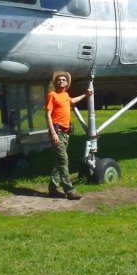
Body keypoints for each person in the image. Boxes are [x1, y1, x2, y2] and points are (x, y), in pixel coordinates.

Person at [45, 71, 92, 200]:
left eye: (63, 80)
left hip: (66, 133)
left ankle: (53, 189)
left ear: (67, 83)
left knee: (59, 161)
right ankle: (70, 191)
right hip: (57, 132)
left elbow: (72, 100)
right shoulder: (52, 95)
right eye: (58, 80)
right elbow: (48, 114)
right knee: (64, 160)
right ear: (55, 83)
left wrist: (85, 95)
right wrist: (53, 133)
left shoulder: (65, 95)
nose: (61, 81)